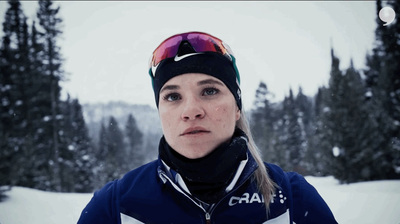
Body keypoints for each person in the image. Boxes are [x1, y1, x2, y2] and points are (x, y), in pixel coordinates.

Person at [77, 31, 337, 224]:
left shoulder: (292, 198)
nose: (191, 111)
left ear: (237, 108)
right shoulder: (115, 206)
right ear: (160, 113)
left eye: (210, 90)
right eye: (173, 96)